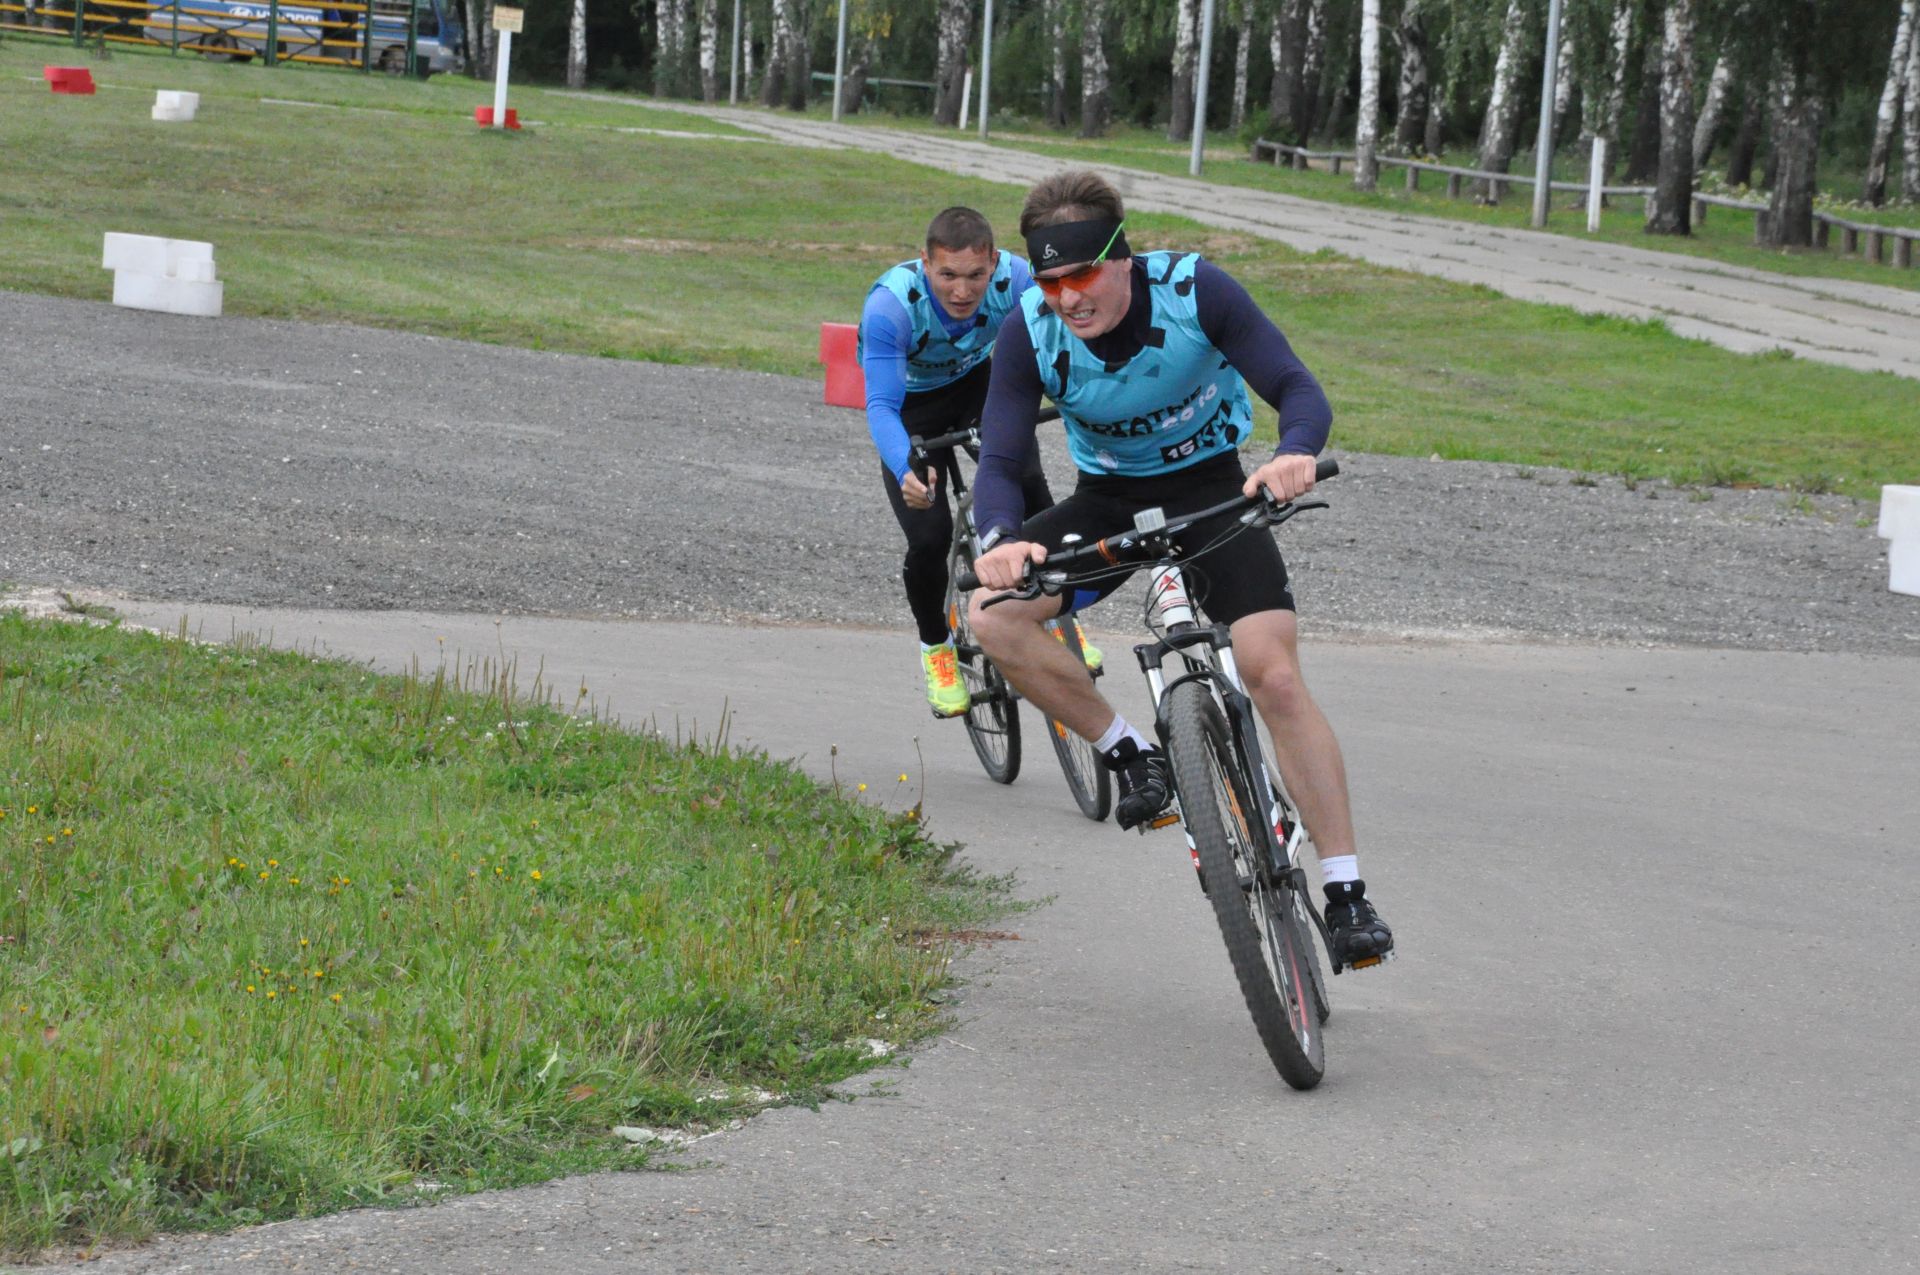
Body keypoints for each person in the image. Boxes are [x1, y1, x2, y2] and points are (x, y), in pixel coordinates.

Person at [965, 170, 1392, 969]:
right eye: (1051, 280)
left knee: (1274, 677)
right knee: (990, 613)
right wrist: (1000, 533)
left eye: (1083, 274)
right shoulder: (1029, 327)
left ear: (1123, 256)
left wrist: (1293, 453)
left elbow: (1295, 386)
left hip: (1216, 492)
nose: (1067, 298)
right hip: (1110, 502)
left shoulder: (1195, 289)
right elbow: (1001, 452)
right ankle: (1131, 752)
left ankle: (1346, 893)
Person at [861, 206, 1098, 718]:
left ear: (994, 262)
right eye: (946, 274)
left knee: (1029, 484)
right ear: (925, 263)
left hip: (978, 387)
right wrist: (906, 467)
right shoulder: (890, 305)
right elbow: (879, 405)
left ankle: (1061, 622)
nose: (962, 291)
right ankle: (937, 648)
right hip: (911, 408)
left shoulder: (1017, 280)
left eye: (974, 275)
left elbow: (1061, 340)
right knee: (928, 537)